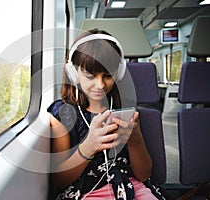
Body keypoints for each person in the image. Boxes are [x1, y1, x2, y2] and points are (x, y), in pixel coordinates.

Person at [47, 29, 165, 200]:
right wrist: (88, 147)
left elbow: (144, 175)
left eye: (108, 75)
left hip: (131, 187)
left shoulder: (124, 111)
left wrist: (135, 140)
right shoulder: (63, 115)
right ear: (74, 74)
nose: (100, 84)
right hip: (86, 192)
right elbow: (59, 180)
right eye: (90, 76)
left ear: (119, 73)